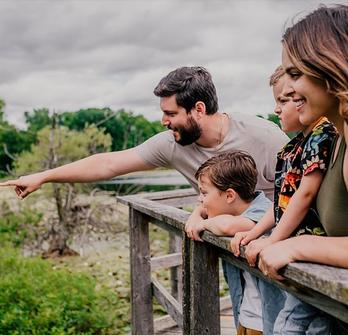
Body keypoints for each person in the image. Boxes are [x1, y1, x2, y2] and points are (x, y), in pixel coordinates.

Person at [0, 66, 287, 235]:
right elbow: (108, 164)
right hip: (228, 243)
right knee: (247, 329)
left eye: (170, 113)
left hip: (277, 242)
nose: (164, 121)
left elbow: (306, 191)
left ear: (198, 109)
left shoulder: (263, 137)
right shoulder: (173, 144)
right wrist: (44, 176)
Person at [251, 5, 348, 335]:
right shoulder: (337, 141)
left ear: (331, 65)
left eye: (295, 73)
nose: (288, 89)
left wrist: (298, 245)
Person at [232, 63, 337, 335]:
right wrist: (253, 234)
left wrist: (274, 241)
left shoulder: (322, 135)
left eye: (283, 100)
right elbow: (282, 203)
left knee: (289, 323)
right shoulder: (295, 145)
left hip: (312, 247)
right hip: (297, 248)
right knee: (312, 329)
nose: (276, 109)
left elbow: (304, 195)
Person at [194, 150, 284, 335]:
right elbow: (205, 212)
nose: (200, 199)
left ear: (230, 196)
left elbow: (226, 226)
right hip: (246, 316)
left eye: (204, 193)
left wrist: (201, 222)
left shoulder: (263, 213)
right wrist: (197, 213)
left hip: (267, 322)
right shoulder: (238, 209)